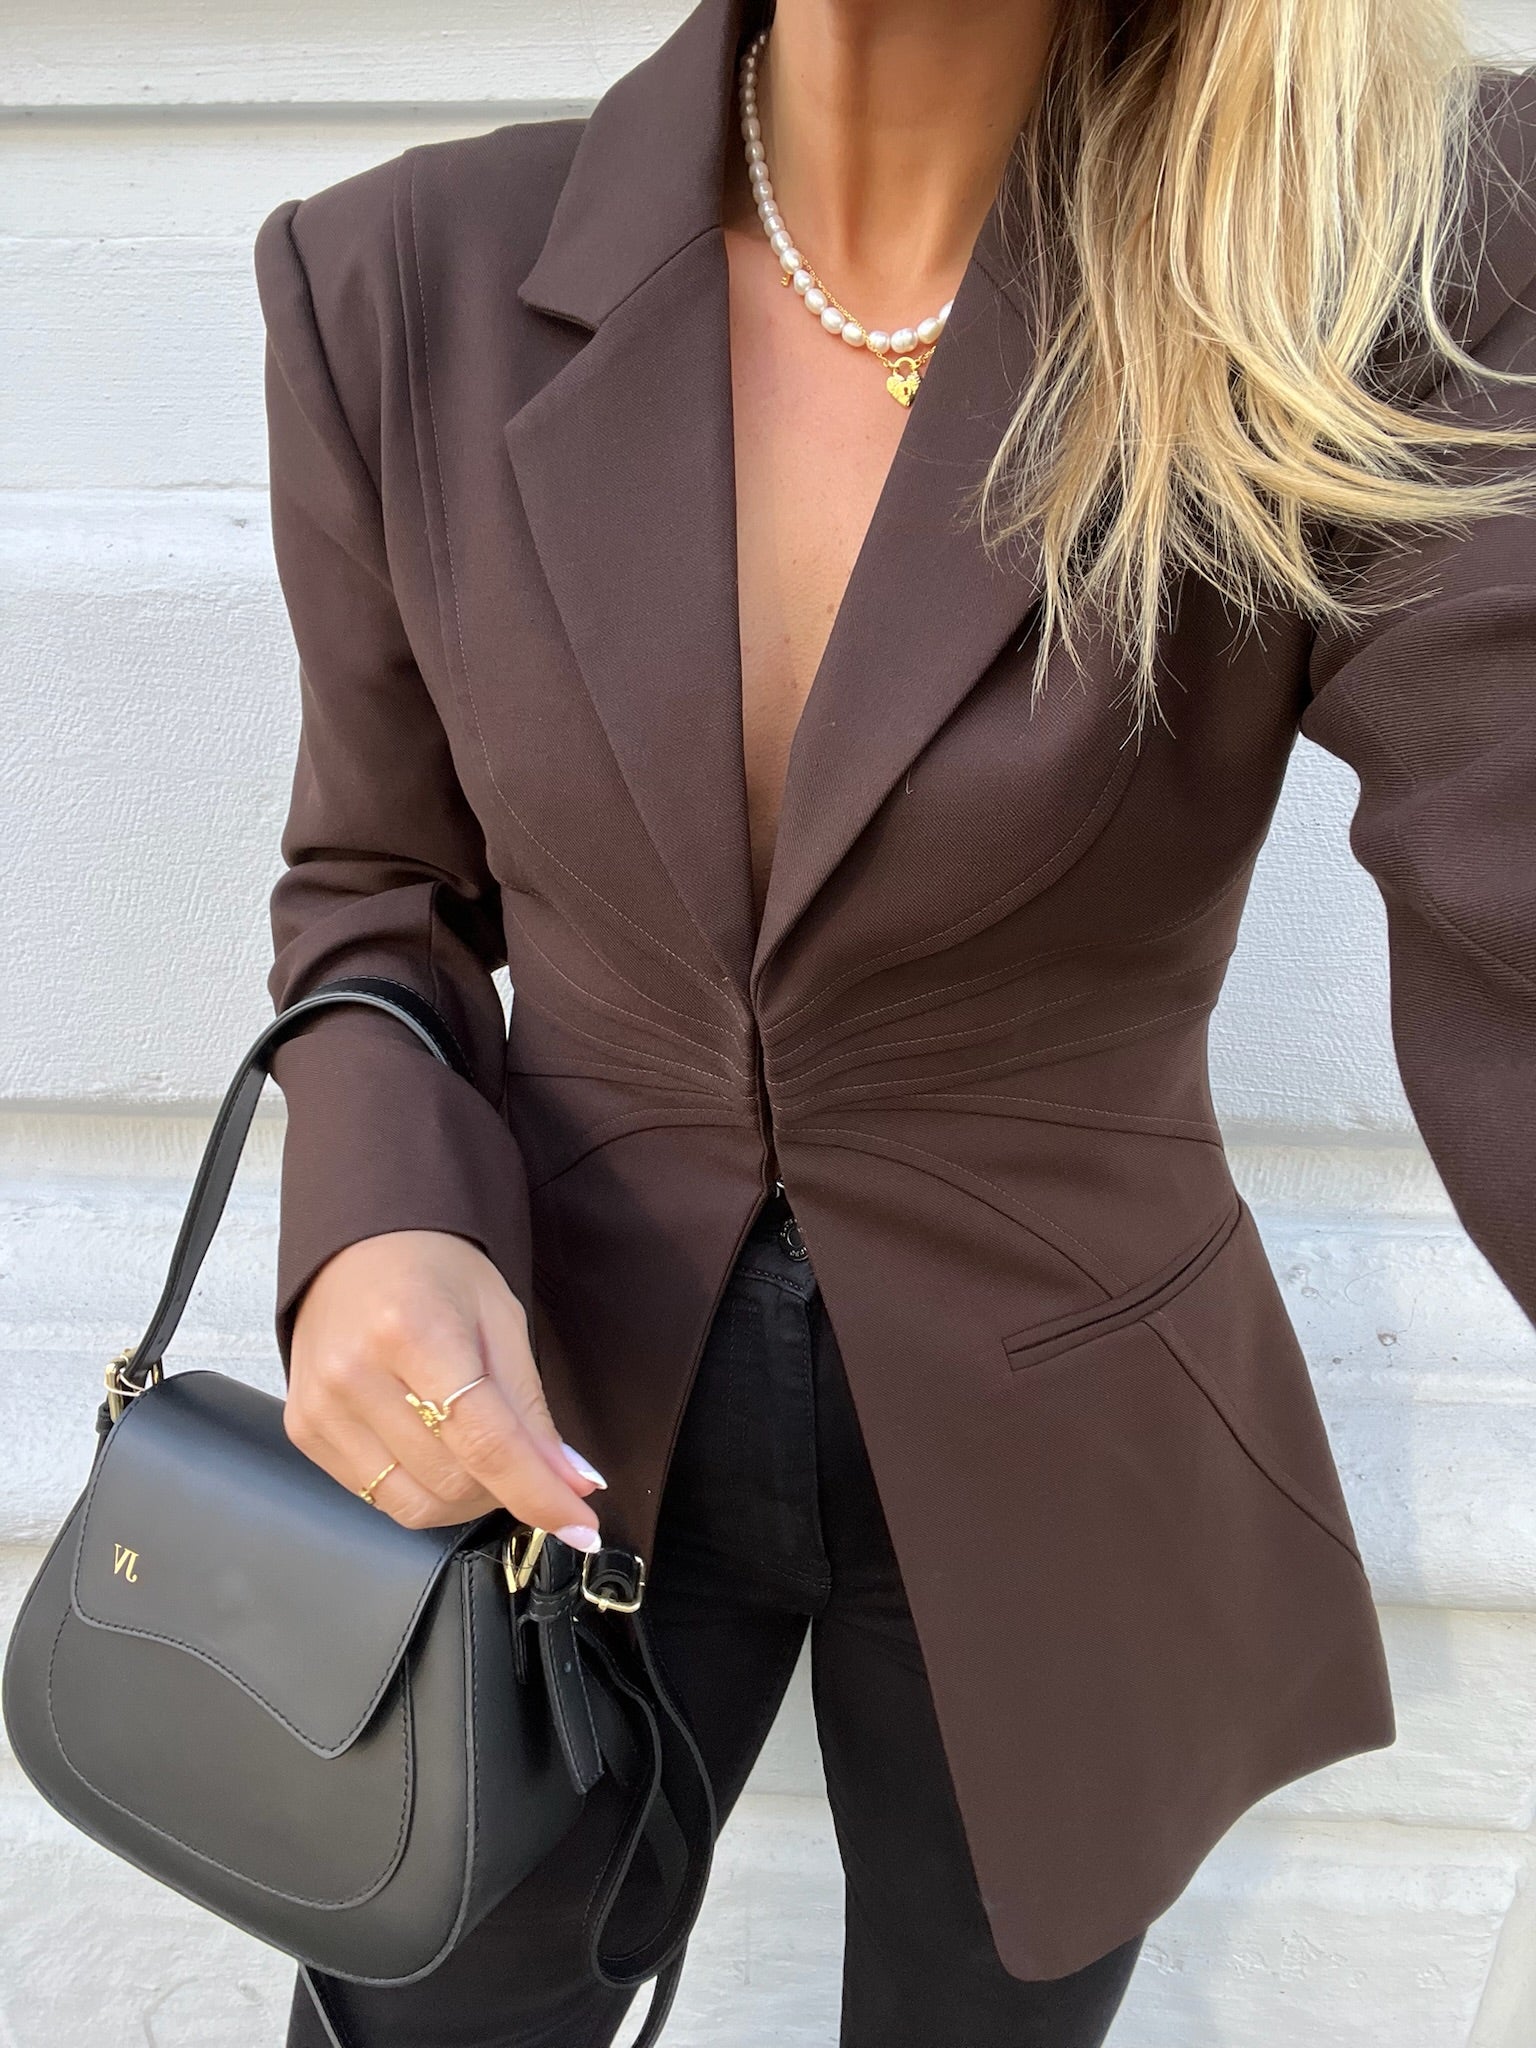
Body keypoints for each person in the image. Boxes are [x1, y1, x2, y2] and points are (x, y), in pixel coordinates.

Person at [252, 1, 1536, 2041]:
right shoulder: (401, 281)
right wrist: (371, 1224)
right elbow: (376, 885)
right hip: (544, 1411)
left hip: (1071, 1435)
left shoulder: (1380, 251)